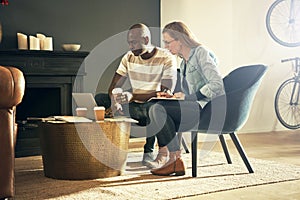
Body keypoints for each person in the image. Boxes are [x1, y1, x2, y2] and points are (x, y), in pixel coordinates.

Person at [95, 23, 177, 168]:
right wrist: (115, 101)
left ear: (146, 40)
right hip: (134, 106)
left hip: (153, 107)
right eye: (129, 43)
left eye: (134, 42)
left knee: (154, 108)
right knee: (101, 99)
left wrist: (131, 95)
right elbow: (114, 86)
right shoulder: (129, 57)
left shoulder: (166, 57)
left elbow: (165, 92)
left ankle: (151, 151)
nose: (130, 46)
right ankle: (108, 149)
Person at [148, 21, 225, 176]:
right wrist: (173, 97)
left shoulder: (201, 52)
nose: (166, 46)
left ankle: (174, 159)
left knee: (156, 108)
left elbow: (217, 84)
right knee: (156, 105)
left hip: (207, 109)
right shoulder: (183, 62)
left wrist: (190, 97)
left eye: (168, 42)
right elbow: (187, 94)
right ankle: (174, 159)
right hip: (193, 107)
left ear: (180, 40)